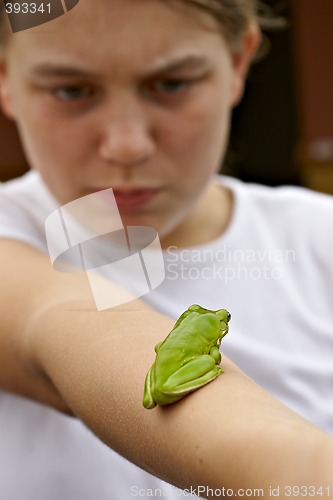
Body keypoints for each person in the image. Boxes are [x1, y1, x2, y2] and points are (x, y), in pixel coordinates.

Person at [0, 0, 332, 499]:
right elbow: (63, 318)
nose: (127, 145)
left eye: (172, 84)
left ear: (239, 61)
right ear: (5, 78)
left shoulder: (318, 233)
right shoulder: (15, 236)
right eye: (71, 90)